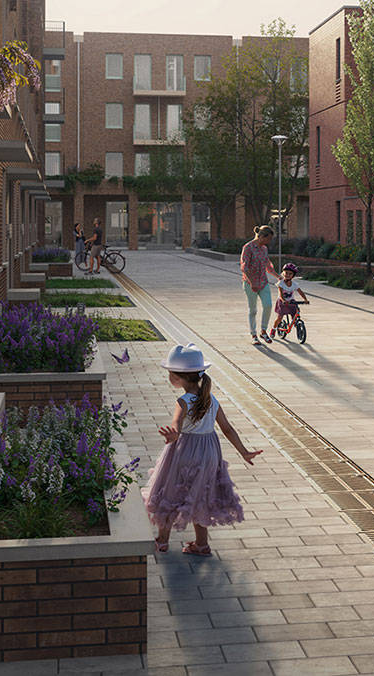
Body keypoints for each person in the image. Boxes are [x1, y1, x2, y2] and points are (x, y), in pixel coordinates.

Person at [143, 344, 261, 556]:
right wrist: (244, 451)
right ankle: (202, 544)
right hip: (209, 452)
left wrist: (174, 435)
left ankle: (162, 540)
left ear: (177, 377)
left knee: (171, 490)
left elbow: (177, 423)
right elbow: (227, 429)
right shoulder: (211, 399)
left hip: (184, 450)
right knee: (200, 495)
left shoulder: (183, 401)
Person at [241, 225, 276, 342]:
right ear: (261, 236)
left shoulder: (264, 249)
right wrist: (252, 283)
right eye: (268, 239)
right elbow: (244, 267)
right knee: (253, 310)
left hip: (263, 282)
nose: (269, 242)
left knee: (268, 305)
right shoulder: (248, 247)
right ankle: (253, 334)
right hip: (250, 283)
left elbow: (268, 266)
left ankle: (263, 331)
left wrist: (279, 277)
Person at [270, 262, 310, 337]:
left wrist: (305, 299)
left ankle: (297, 325)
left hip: (291, 301)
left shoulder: (294, 284)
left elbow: (300, 292)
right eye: (286, 273)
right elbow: (281, 294)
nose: (288, 275)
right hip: (282, 302)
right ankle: (274, 329)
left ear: (293, 276)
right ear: (283, 273)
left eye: (290, 274)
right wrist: (283, 300)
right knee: (279, 317)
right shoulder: (281, 283)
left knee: (295, 315)